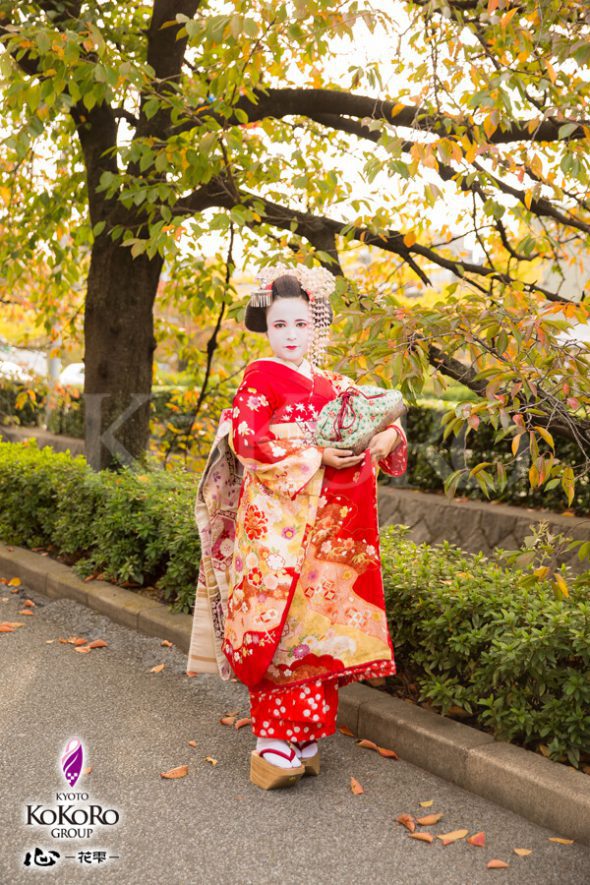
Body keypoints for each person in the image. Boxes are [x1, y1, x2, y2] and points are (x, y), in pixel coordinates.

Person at [187, 265, 407, 790]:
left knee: (317, 632)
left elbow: (377, 411)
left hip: (326, 533)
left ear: (315, 327)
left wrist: (389, 435)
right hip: (276, 532)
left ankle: (303, 738)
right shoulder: (258, 380)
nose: (290, 335)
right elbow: (249, 441)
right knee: (280, 631)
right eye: (280, 325)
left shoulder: (333, 383)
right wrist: (314, 453)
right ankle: (271, 744)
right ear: (267, 328)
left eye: (300, 325)